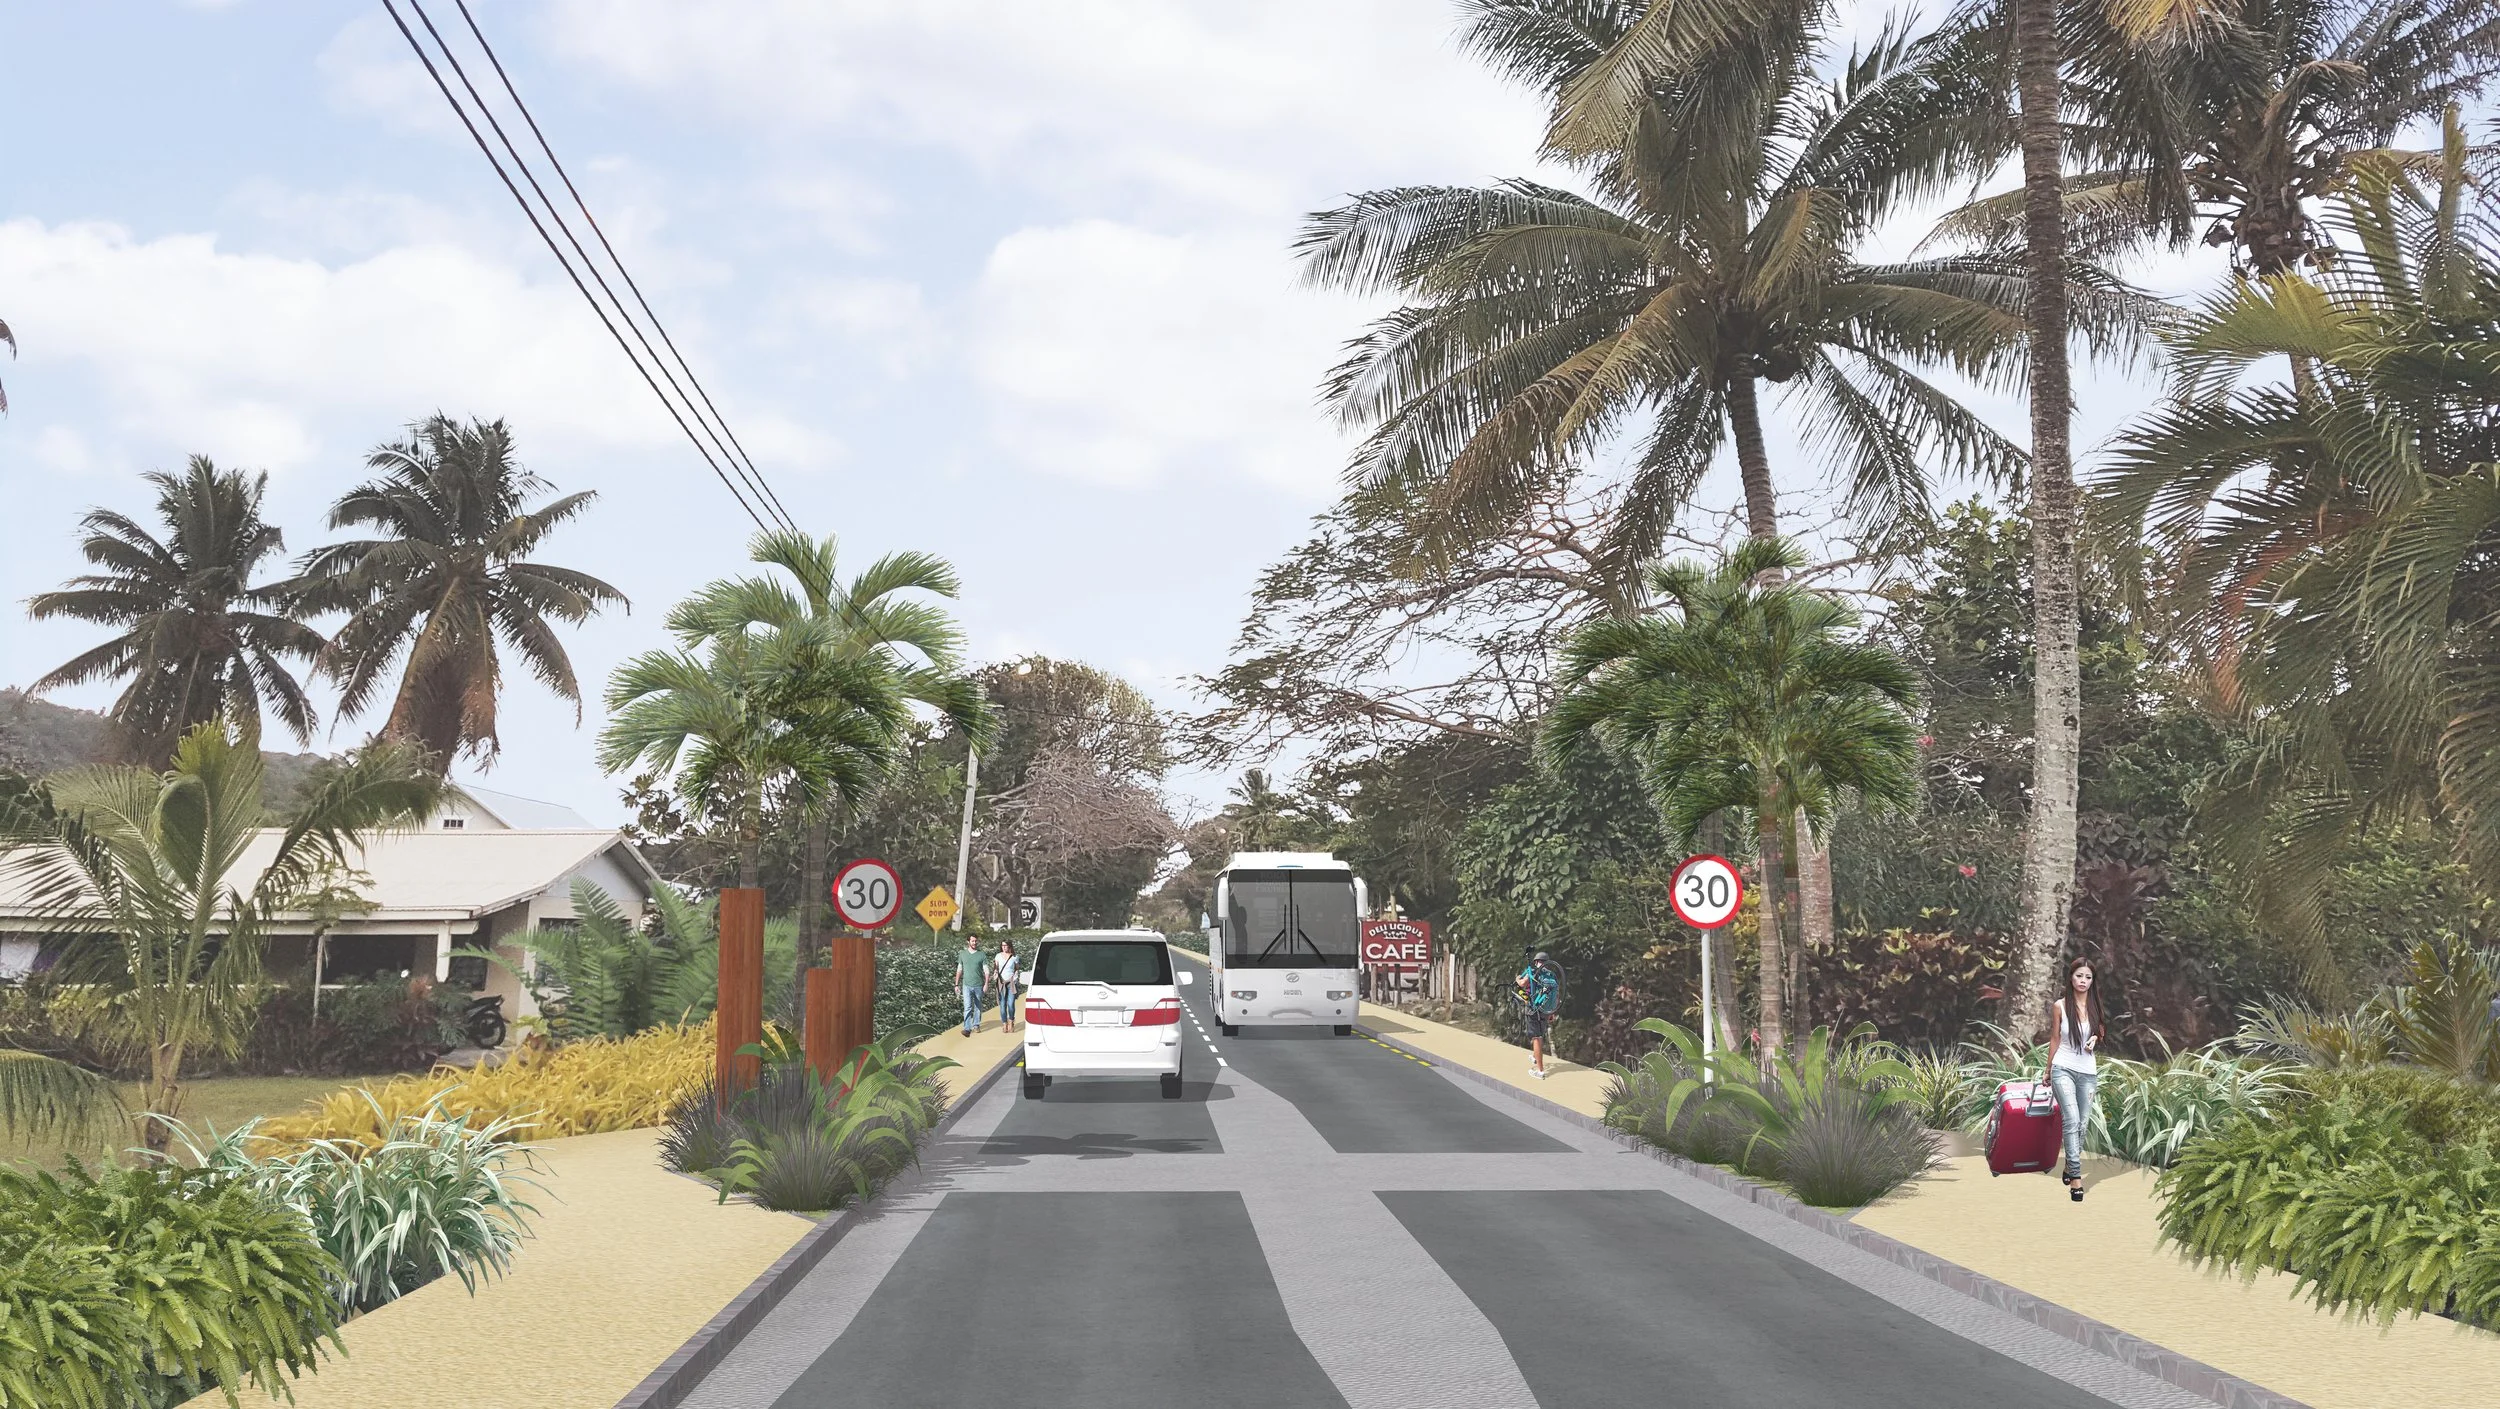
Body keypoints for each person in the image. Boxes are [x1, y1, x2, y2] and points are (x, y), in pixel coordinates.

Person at [2046, 956, 2105, 1202]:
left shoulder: (2095, 1005)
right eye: (2079, 975)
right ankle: (2077, 1180)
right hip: (2064, 1068)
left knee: (2082, 1124)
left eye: (2088, 977)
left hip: (2088, 1072)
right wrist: (2048, 1070)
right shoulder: (2060, 1005)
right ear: (2071, 977)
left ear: (2092, 981)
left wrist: (2096, 1039)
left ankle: (2069, 1166)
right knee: (2071, 1121)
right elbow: (2055, 1039)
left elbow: (2100, 1028)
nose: (2083, 981)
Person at [1514, 950, 1563, 1079]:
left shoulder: (1535, 972)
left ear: (1536, 962)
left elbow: (1522, 984)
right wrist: (1552, 1011)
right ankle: (1536, 1057)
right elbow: (1556, 994)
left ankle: (1540, 1071)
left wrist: (1517, 978)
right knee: (1539, 1035)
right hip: (1546, 1010)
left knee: (1537, 1038)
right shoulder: (1551, 975)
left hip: (1534, 1009)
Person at [956, 932, 989, 1038]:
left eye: (976, 941)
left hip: (979, 985)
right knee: (968, 1007)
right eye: (972, 941)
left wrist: (986, 984)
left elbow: (986, 971)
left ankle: (976, 1025)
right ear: (968, 942)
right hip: (966, 985)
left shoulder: (981, 954)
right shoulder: (962, 954)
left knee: (978, 1006)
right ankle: (967, 1028)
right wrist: (956, 984)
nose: (974, 943)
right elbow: (959, 970)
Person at [993, 937, 1020, 1033]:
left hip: (1011, 982)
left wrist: (1015, 977)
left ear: (1009, 946)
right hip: (1001, 982)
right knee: (1002, 1005)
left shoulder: (1014, 957)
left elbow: (1017, 968)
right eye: (1003, 945)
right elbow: (996, 968)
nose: (1004, 947)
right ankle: (1004, 1023)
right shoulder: (998, 956)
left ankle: (1011, 1021)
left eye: (1006, 945)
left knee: (1011, 1004)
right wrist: (995, 973)